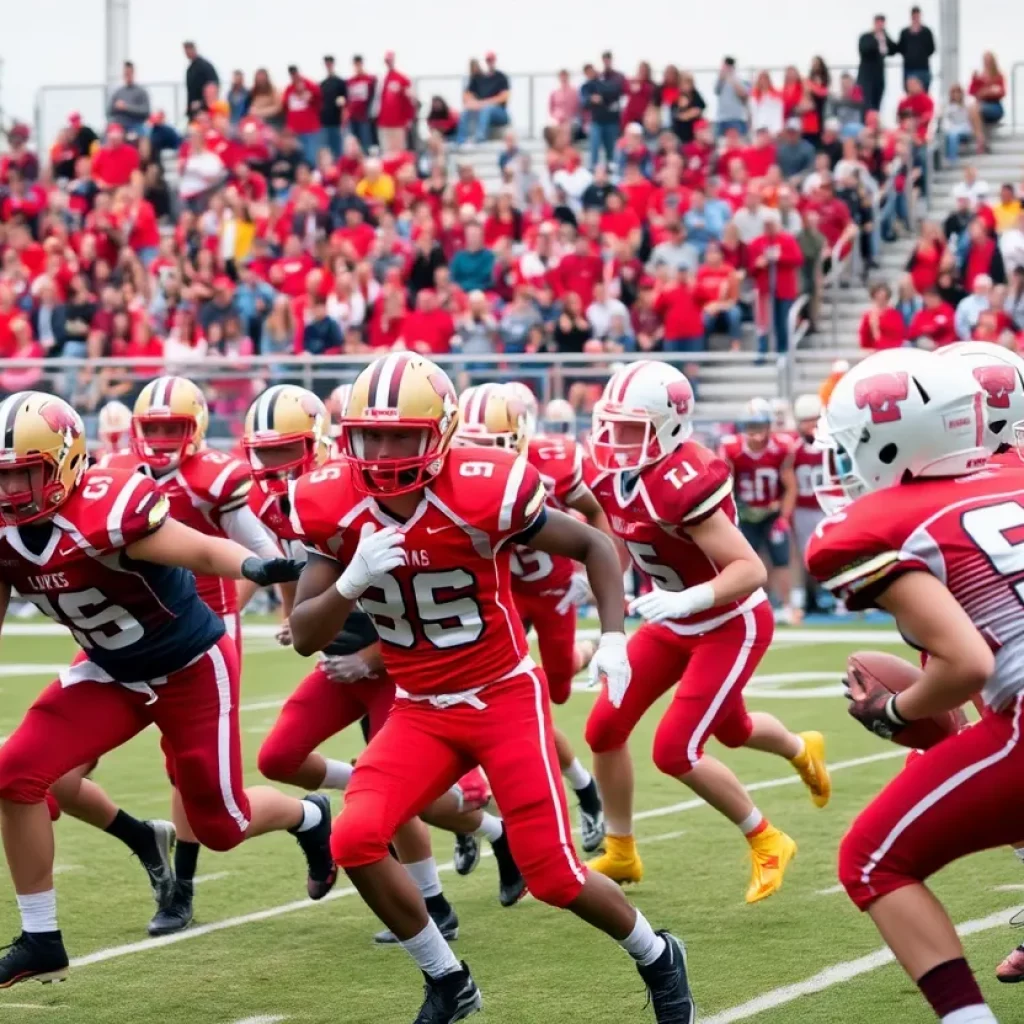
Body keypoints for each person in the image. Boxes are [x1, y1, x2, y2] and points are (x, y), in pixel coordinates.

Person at [288, 353, 695, 1024]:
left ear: (442, 433)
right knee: (353, 837)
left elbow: (594, 544)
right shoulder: (329, 501)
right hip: (419, 708)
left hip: (502, 695)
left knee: (554, 876)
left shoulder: (486, 486)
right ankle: (447, 979)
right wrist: (349, 580)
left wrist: (616, 634)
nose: (385, 452)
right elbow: (305, 634)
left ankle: (656, 954)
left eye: (403, 436)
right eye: (372, 435)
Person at [0, 392, 332, 986]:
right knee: (15, 773)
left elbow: (200, 547)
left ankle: (309, 815)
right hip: (110, 671)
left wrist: (255, 566)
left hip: (190, 667)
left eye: (26, 474)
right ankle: (41, 937)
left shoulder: (107, 505)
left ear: (66, 463)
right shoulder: (4, 533)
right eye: (3, 477)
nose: (12, 492)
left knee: (220, 827)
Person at [241, 385, 525, 943]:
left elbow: (413, 598)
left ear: (323, 443)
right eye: (264, 454)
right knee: (279, 756)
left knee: (401, 799)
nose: (274, 467)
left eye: (286, 452)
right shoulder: (274, 503)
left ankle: (433, 903)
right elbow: (308, 577)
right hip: (338, 656)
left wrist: (371, 657)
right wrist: (298, 616)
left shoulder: (365, 488)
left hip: (394, 662)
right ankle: (493, 833)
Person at [804, 345, 1022, 1024]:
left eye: (850, 447)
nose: (841, 464)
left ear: (892, 442)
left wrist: (896, 710)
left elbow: (967, 666)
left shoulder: (880, 525)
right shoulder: (1011, 475)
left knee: (870, 861)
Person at [584, 362, 829, 900]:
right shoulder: (613, 473)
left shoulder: (684, 478)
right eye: (612, 424)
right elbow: (620, 544)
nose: (614, 439)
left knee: (676, 749)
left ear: (669, 425)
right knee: (606, 729)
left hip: (728, 621)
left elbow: (749, 569)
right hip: (672, 619)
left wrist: (686, 599)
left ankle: (767, 839)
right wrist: (609, 627)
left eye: (631, 427)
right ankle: (622, 849)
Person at [94, 375, 314, 936]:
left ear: (194, 430)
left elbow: (264, 555)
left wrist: (272, 611)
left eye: (174, 428)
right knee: (53, 774)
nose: (163, 439)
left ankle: (181, 887)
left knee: (192, 778)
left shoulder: (212, 479)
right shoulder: (113, 470)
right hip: (118, 631)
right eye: (155, 428)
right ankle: (143, 838)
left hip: (198, 630)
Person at [454, 384, 606, 852]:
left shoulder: (557, 463)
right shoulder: (452, 472)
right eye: (469, 445)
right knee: (501, 693)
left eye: (489, 446)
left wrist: (588, 570)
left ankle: (587, 650)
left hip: (555, 587)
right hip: (504, 593)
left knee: (556, 686)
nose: (477, 458)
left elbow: (595, 513)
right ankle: (465, 807)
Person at [719, 399, 802, 623]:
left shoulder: (782, 447)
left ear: (768, 426)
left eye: (759, 426)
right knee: (745, 563)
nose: (755, 433)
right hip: (745, 514)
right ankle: (746, 608)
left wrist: (783, 517)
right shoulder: (732, 448)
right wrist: (732, 514)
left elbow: (790, 486)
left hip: (771, 513)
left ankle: (787, 607)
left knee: (781, 559)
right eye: (751, 427)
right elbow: (726, 485)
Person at [788, 394, 827, 616]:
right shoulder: (792, 448)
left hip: (826, 506)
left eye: (814, 419)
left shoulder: (831, 443)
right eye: (806, 421)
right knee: (804, 556)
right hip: (803, 507)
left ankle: (832, 598)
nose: (811, 425)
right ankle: (807, 597)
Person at [456, 52, 511, 145]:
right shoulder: (478, 78)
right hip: (481, 109)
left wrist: (484, 103)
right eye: (488, 60)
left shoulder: (501, 77)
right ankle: (460, 140)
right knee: (466, 111)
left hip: (499, 112)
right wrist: (474, 103)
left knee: (486, 109)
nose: (490, 62)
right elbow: (467, 96)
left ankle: (479, 138)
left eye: (491, 60)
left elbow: (504, 97)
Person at [857, 15, 897, 112]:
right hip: (866, 78)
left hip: (879, 77)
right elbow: (864, 49)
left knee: (876, 105)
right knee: (867, 104)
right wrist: (876, 39)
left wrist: (885, 37)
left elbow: (894, 49)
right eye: (878, 23)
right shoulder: (866, 37)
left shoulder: (884, 38)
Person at [107, 61, 151, 136]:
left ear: (133, 73)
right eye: (125, 73)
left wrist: (126, 107)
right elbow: (108, 113)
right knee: (109, 133)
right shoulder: (118, 92)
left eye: (129, 72)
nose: (127, 75)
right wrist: (116, 108)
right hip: (119, 126)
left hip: (136, 125)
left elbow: (146, 112)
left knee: (145, 133)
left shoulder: (141, 92)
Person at [898, 6, 936, 92]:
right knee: (910, 95)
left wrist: (921, 55)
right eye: (914, 16)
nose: (916, 19)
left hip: (923, 68)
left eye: (917, 16)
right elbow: (901, 48)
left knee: (923, 94)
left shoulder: (926, 32)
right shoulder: (904, 33)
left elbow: (932, 48)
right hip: (909, 68)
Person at [319, 56, 347, 160]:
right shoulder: (323, 84)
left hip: (337, 122)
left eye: (330, 63)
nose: (328, 65)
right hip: (325, 122)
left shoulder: (340, 82)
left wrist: (343, 120)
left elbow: (345, 102)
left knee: (338, 149)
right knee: (327, 149)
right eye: (327, 63)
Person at [183, 41, 219, 116]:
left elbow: (214, 85)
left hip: (205, 109)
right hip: (193, 108)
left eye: (189, 50)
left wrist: (202, 102)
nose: (187, 53)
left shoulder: (205, 66)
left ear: (194, 49)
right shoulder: (190, 68)